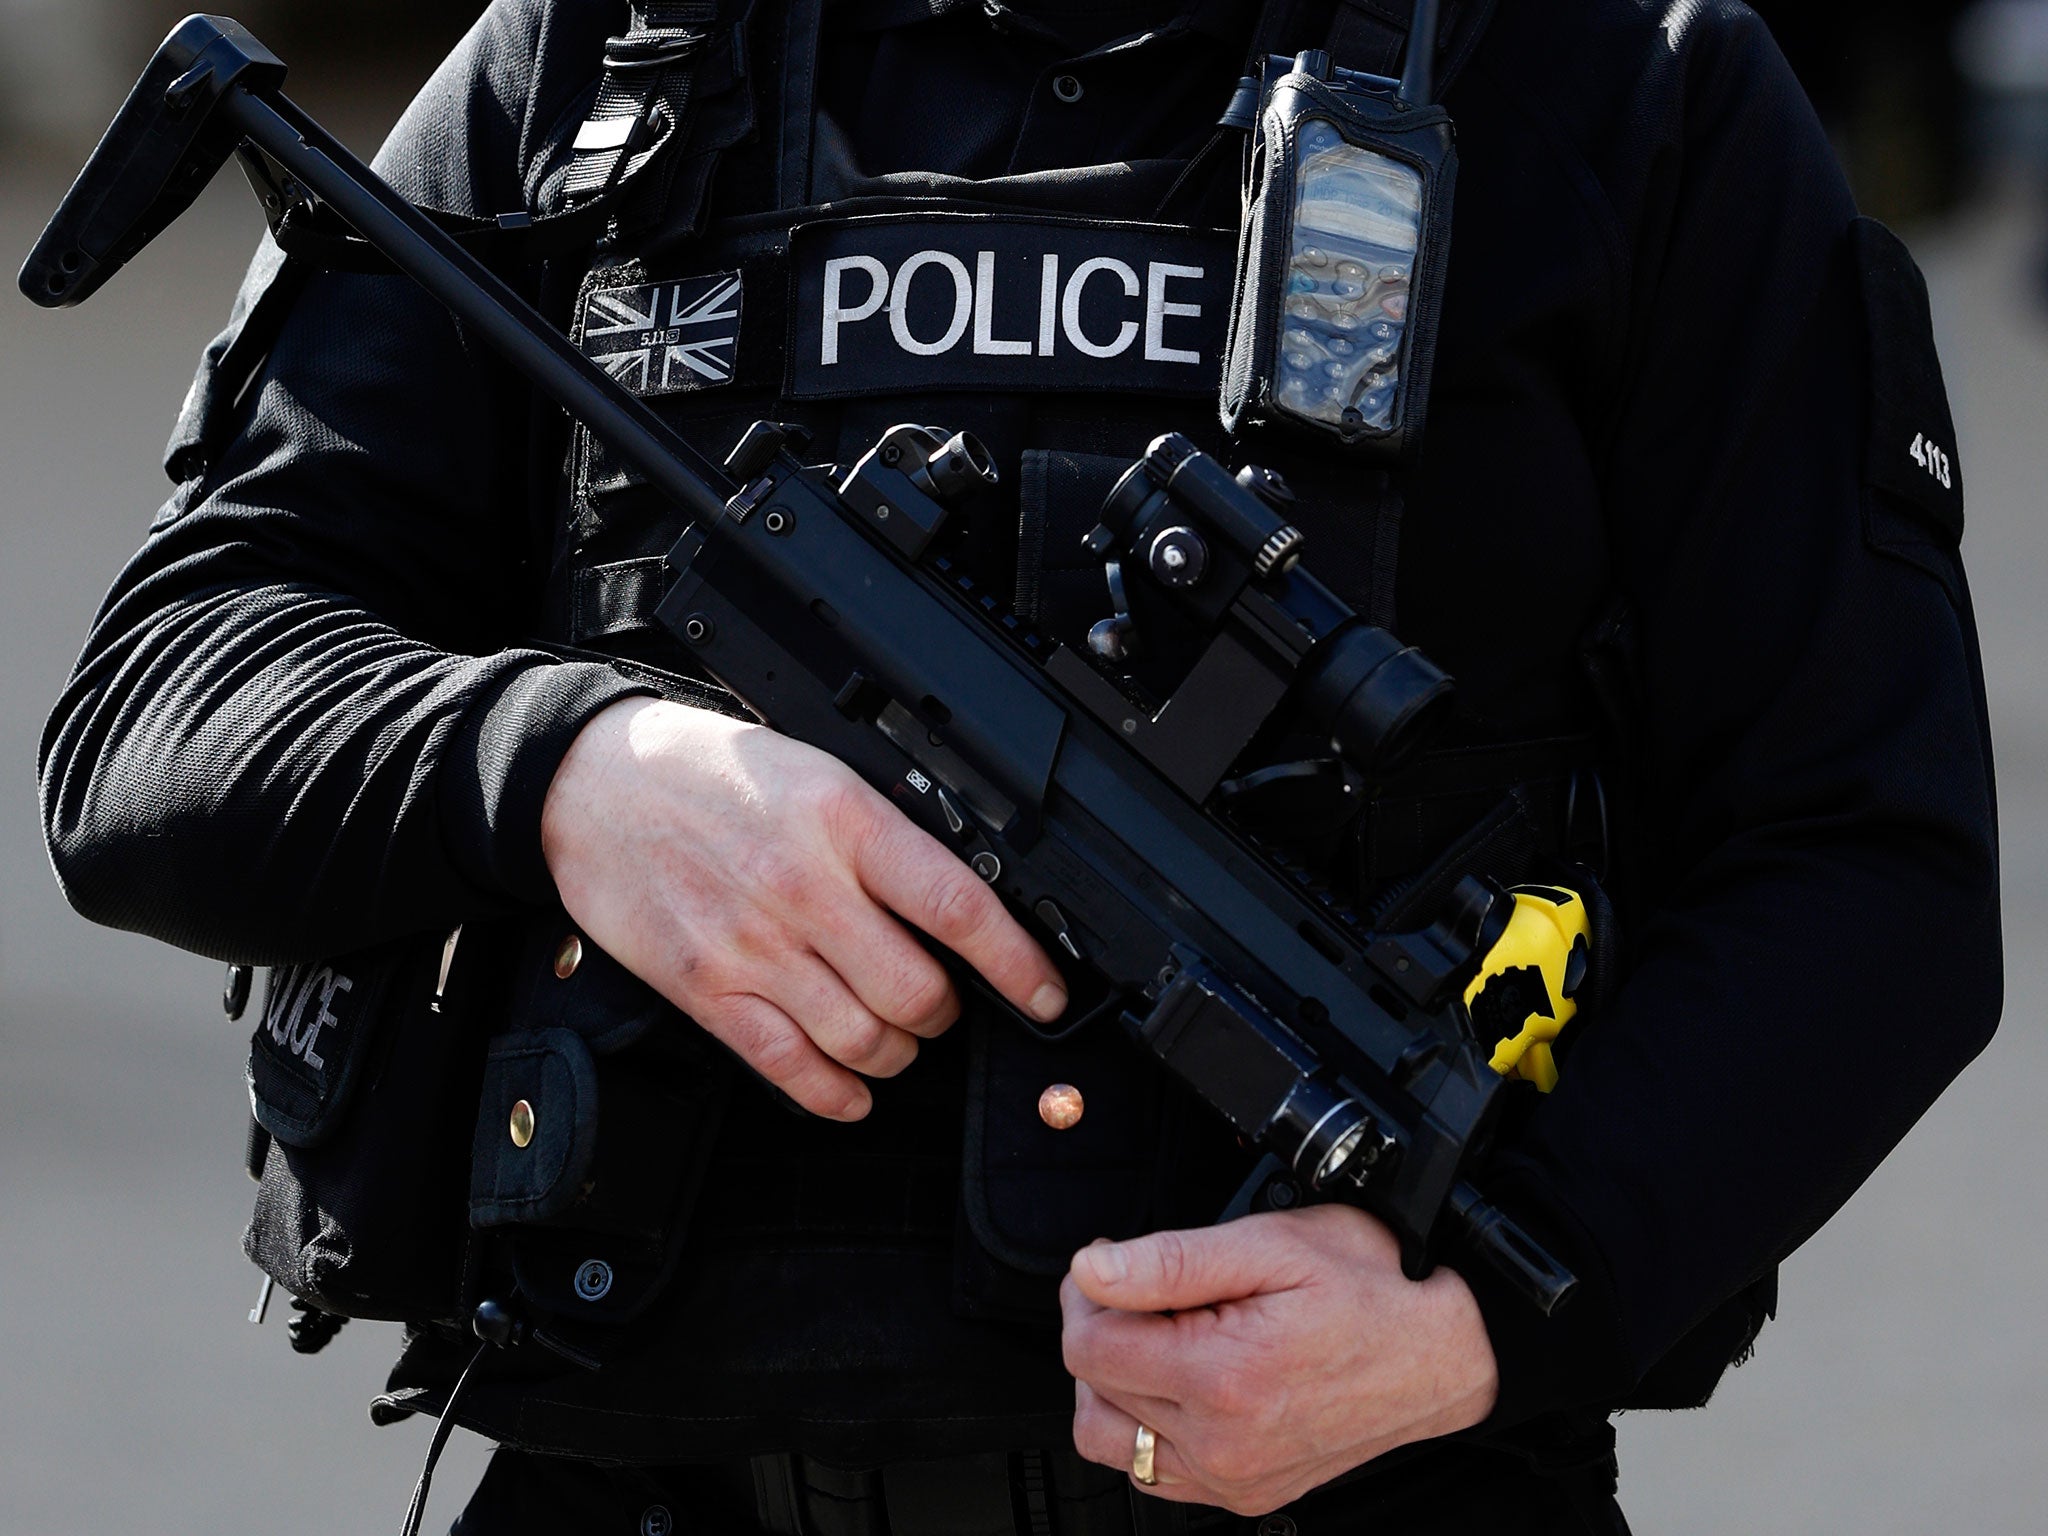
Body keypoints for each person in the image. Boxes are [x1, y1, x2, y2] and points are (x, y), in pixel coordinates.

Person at [37, 0, 2001, 1532]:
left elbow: (1868, 854)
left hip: (1368, 1507)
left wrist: (1476, 1321)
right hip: (639, 1493)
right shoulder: (603, 66)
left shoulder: (1626, 84)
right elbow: (158, 714)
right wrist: (571, 770)